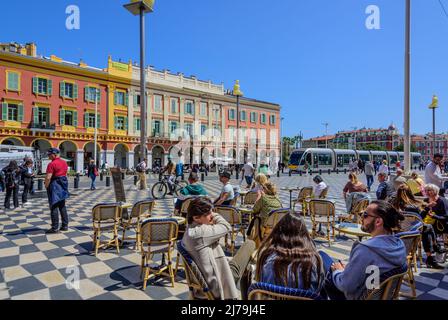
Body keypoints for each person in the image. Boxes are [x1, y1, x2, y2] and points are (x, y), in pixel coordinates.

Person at [321, 200, 407, 300]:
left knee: (321, 257)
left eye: (365, 215)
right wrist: (350, 270)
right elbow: (374, 270)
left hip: (356, 296)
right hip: (380, 295)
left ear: (378, 221)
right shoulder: (399, 245)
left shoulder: (366, 249)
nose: (361, 218)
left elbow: (346, 286)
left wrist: (337, 271)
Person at [182, 197, 256, 299]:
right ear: (196, 217)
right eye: (208, 214)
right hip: (221, 281)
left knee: (246, 267)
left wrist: (208, 212)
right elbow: (226, 226)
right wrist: (214, 214)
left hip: (215, 271)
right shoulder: (200, 233)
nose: (211, 215)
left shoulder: (190, 231)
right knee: (250, 243)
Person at [255, 212, 325, 294]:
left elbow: (261, 284)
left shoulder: (266, 257)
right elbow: (317, 290)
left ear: (278, 232)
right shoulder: (314, 260)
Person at [391, 184, 444, 269]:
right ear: (409, 192)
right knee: (427, 228)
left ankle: (432, 254)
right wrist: (427, 208)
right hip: (411, 232)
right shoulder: (413, 207)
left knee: (427, 227)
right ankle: (433, 251)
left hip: (397, 231)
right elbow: (420, 218)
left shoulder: (393, 204)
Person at [45, 148, 69, 234]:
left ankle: (55, 227)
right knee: (62, 206)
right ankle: (65, 225)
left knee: (54, 206)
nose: (48, 156)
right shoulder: (64, 162)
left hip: (54, 185)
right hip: (63, 184)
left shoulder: (51, 164)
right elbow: (65, 174)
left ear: (54, 154)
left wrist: (46, 185)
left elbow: (48, 177)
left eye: (49, 154)